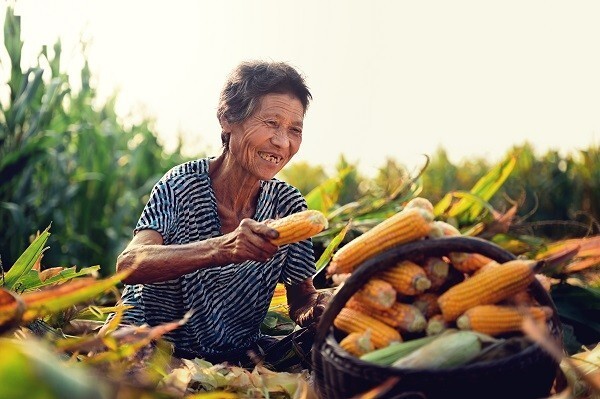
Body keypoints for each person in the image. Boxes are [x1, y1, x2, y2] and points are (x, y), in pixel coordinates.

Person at [111, 60, 331, 371]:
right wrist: (223, 248)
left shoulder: (289, 204)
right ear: (228, 118)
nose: (282, 142)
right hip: (150, 342)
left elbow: (301, 299)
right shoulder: (182, 184)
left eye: (294, 130)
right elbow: (128, 265)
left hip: (230, 357)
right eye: (271, 123)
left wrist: (319, 308)